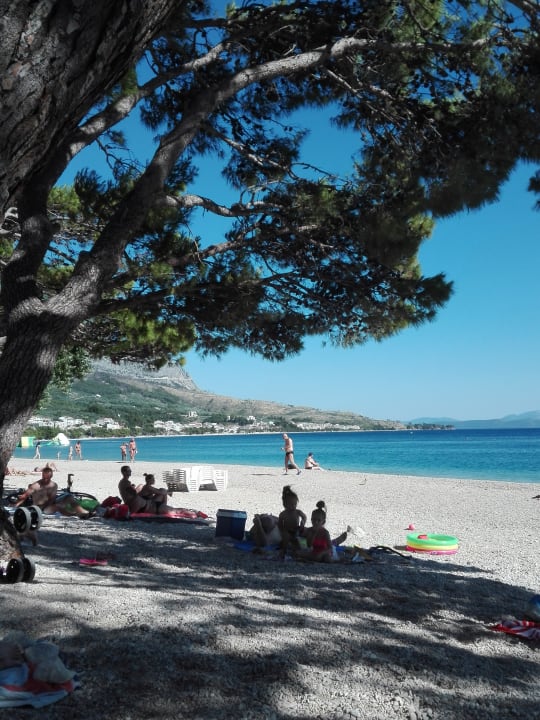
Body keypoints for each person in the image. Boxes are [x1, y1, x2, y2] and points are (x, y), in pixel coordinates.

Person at [15, 466, 93, 518]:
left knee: (69, 497)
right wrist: (15, 505)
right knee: (58, 506)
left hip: (50, 504)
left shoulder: (54, 485)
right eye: (44, 477)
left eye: (48, 478)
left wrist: (56, 501)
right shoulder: (36, 485)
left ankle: (84, 512)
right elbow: (24, 496)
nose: (45, 480)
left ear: (51, 476)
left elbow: (52, 499)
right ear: (42, 475)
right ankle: (75, 514)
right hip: (41, 508)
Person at [278, 485, 307, 558]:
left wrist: (303, 522)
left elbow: (304, 516)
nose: (293, 506)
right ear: (285, 505)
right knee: (286, 536)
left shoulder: (297, 512)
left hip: (297, 530)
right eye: (291, 504)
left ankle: (304, 548)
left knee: (305, 532)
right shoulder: (283, 514)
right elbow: (280, 524)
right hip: (287, 531)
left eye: (295, 504)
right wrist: (283, 530)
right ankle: (284, 550)